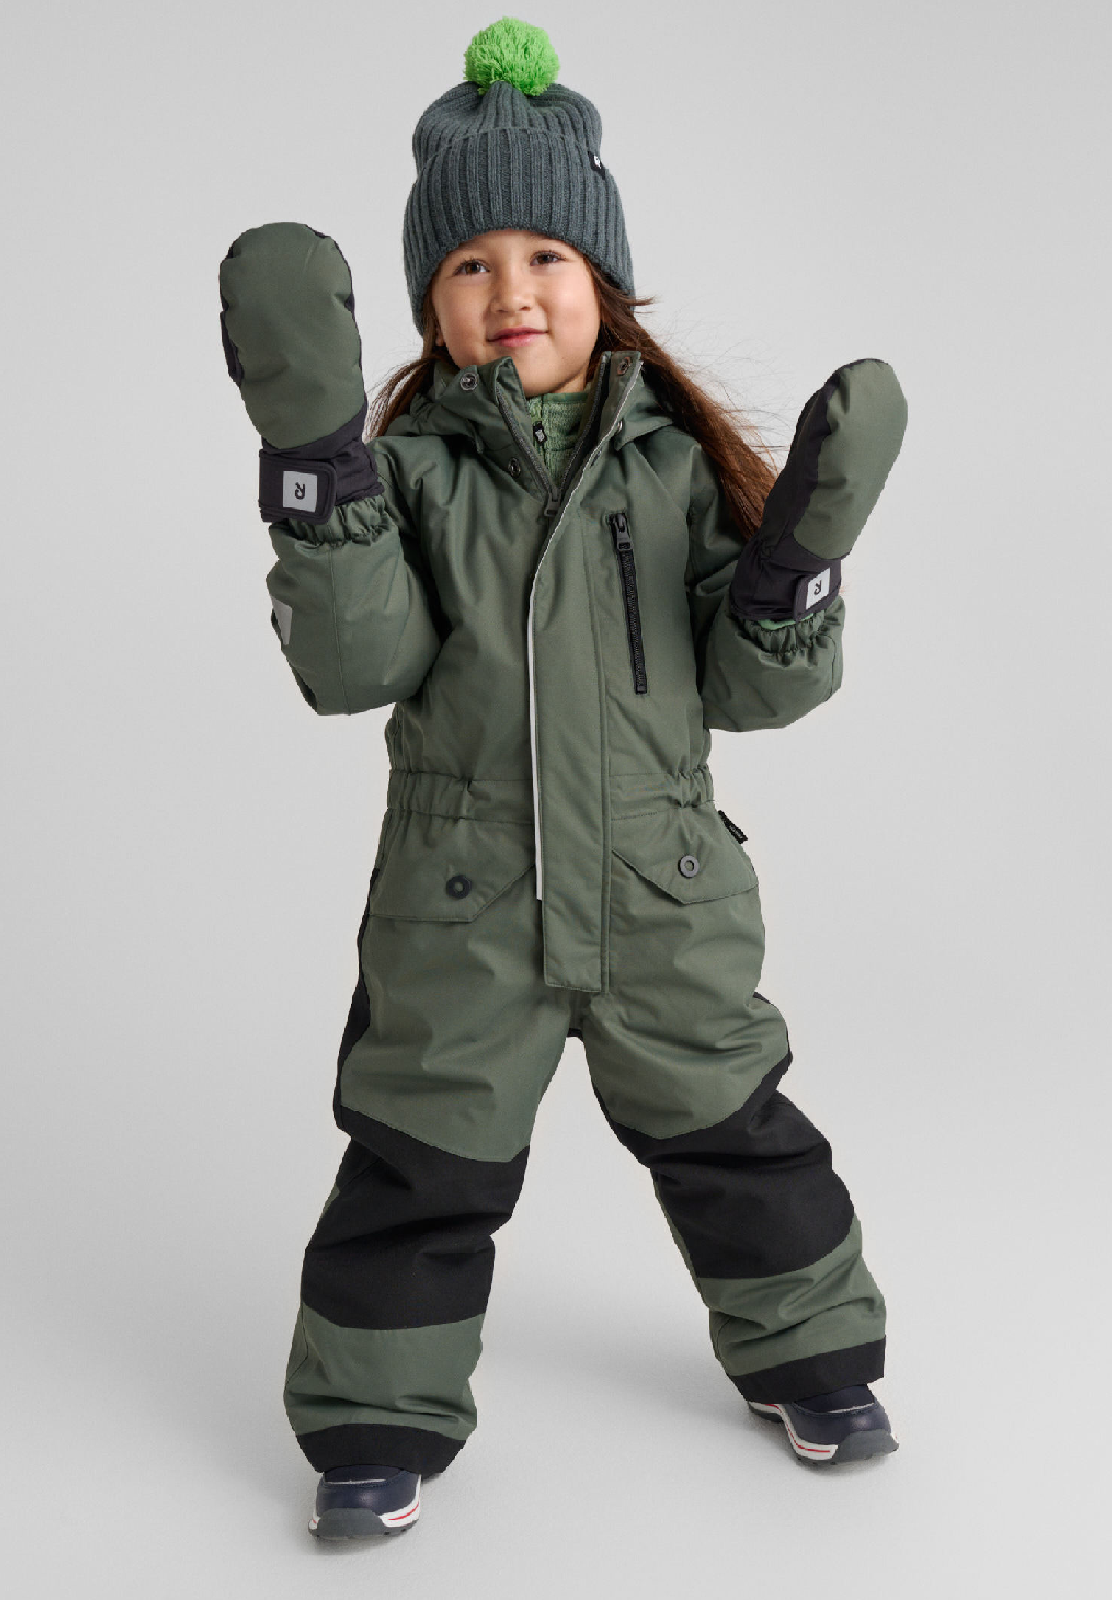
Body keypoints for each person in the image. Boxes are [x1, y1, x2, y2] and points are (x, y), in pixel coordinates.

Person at [218, 16, 908, 1541]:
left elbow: (756, 689)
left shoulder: (674, 469)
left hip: (664, 894)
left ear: (606, 282)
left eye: (545, 257)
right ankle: (373, 1421)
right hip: (462, 904)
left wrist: (794, 566)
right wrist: (324, 478)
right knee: (420, 1165)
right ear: (430, 304)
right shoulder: (413, 475)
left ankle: (816, 1358)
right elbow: (357, 664)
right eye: (469, 265)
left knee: (737, 1139)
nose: (511, 290)